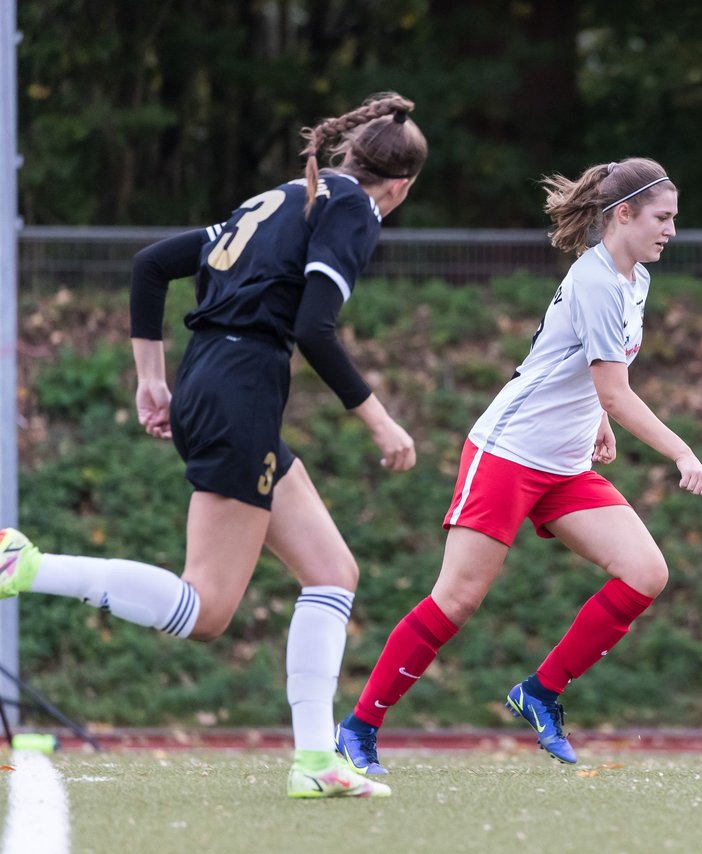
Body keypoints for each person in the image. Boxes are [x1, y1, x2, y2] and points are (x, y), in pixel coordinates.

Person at [0, 92, 427, 798]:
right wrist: (379, 419)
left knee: (331, 570)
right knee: (206, 609)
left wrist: (151, 380)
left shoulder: (281, 196)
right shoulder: (352, 208)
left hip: (212, 377)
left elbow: (149, 265)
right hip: (242, 387)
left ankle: (317, 762)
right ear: (402, 186)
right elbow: (316, 329)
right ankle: (27, 564)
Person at [334, 157, 702, 773]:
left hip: (563, 465)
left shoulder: (634, 278)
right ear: (624, 214)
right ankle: (358, 728)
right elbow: (613, 385)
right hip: (508, 454)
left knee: (645, 573)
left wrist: (596, 422)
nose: (671, 230)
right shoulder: (596, 280)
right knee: (456, 599)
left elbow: (569, 361)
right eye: (663, 218)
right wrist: (681, 450)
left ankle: (539, 692)